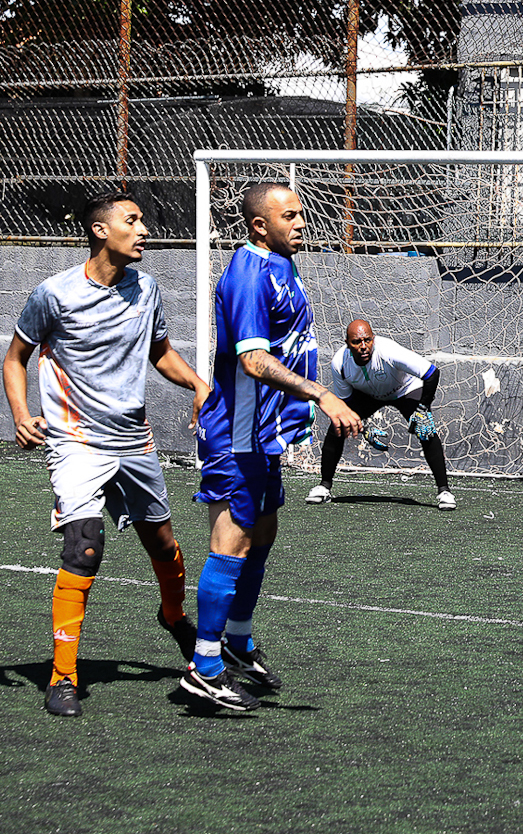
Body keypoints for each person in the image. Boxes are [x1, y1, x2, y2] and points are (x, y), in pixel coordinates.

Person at [3, 190, 209, 717]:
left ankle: (173, 616)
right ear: (100, 230)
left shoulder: (147, 288)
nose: (144, 229)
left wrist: (198, 385)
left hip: (134, 440)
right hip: (75, 440)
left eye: (142, 220)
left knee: (163, 545)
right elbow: (15, 357)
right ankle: (64, 676)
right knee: (85, 548)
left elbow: (159, 352)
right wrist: (22, 416)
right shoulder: (54, 293)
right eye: (131, 220)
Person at [183, 182, 361, 711]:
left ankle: (236, 640)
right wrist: (324, 394)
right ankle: (204, 665)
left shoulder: (283, 263)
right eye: (290, 216)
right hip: (236, 434)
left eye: (302, 214)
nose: (302, 223)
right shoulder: (247, 273)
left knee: (264, 531)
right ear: (260, 225)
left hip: (266, 434)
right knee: (231, 542)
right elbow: (253, 361)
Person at [305, 319, 455, 509]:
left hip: (404, 390)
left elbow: (432, 373)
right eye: (356, 342)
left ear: (373, 339)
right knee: (339, 425)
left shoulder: (388, 351)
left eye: (367, 340)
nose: (363, 346)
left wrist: (423, 409)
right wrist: (364, 428)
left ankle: (444, 491)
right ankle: (324, 487)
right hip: (369, 395)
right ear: (347, 343)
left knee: (426, 431)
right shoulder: (339, 364)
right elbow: (346, 405)